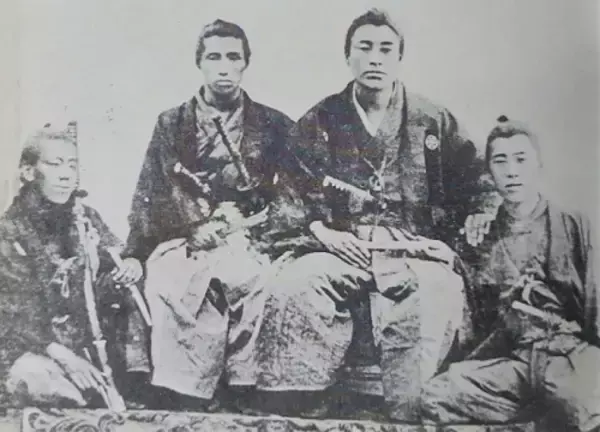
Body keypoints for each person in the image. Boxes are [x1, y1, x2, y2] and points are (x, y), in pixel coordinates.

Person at [252, 8, 497, 421]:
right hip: (339, 243)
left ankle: (409, 406)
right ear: (348, 56)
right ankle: (302, 403)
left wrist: (482, 209)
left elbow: (477, 178)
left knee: (434, 289)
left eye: (386, 49)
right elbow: (291, 189)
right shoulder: (320, 118)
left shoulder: (431, 120)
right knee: (295, 285)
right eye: (364, 48)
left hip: (410, 244)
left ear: (399, 57)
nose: (375, 59)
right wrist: (322, 232)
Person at [123, 19, 298, 409]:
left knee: (254, 279)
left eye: (233, 57)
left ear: (246, 63)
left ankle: (242, 385)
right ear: (199, 63)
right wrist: (190, 227)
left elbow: (292, 191)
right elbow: (151, 190)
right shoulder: (172, 123)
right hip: (186, 235)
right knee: (168, 283)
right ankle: (181, 389)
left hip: (248, 235)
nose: (224, 68)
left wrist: (260, 229)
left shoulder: (273, 125)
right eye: (214, 57)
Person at [421, 116, 600, 432]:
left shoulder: (573, 223)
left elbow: (594, 305)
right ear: (489, 172)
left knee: (583, 403)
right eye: (500, 161)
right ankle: (543, 412)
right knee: (436, 395)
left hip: (567, 355)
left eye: (521, 159)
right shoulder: (481, 233)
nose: (512, 171)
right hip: (514, 363)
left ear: (539, 165)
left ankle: (551, 408)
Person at [0, 124, 150, 409]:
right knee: (45, 385)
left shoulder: (85, 217)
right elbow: (15, 315)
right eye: (54, 164)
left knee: (134, 287)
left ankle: (128, 386)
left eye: (72, 165)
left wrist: (130, 264)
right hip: (36, 345)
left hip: (86, 342)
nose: (66, 174)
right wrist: (65, 357)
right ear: (28, 172)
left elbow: (113, 257)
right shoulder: (10, 230)